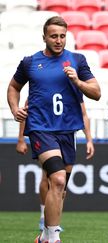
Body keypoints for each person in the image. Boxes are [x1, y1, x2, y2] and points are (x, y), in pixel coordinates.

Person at [7, 16, 101, 243]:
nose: (59, 40)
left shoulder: (77, 60)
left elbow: (96, 93)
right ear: (44, 37)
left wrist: (78, 82)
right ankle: (53, 236)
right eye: (54, 36)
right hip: (41, 128)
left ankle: (44, 237)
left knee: (61, 189)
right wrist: (14, 108)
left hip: (68, 131)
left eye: (62, 36)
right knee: (56, 179)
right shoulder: (30, 62)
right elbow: (13, 87)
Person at [16, 101, 95, 232]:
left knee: (62, 185)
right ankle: (44, 218)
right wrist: (21, 139)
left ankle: (53, 223)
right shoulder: (40, 86)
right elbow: (25, 111)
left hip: (67, 136)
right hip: (45, 133)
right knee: (49, 177)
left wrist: (89, 140)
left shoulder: (73, 86)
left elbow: (83, 114)